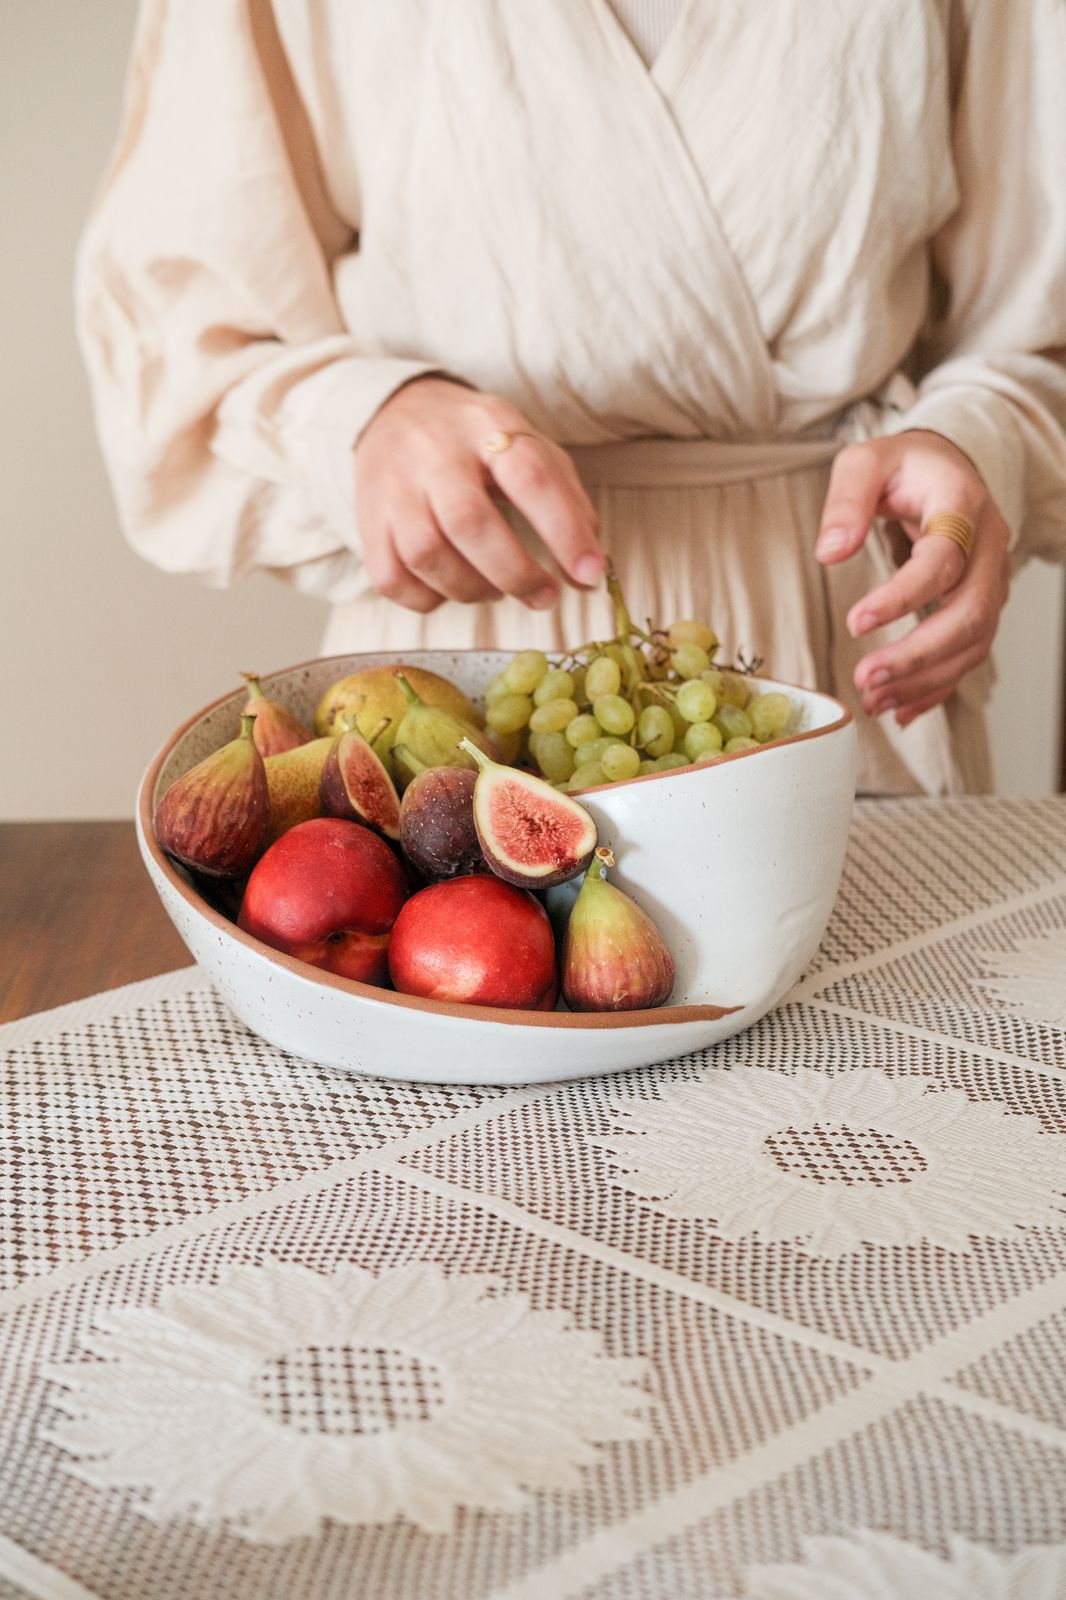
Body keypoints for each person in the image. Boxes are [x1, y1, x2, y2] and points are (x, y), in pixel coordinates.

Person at [77, 2, 1066, 795]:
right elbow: (177, 317)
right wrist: (370, 417)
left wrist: (977, 439)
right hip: (467, 669)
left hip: (832, 643)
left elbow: (1035, 318)